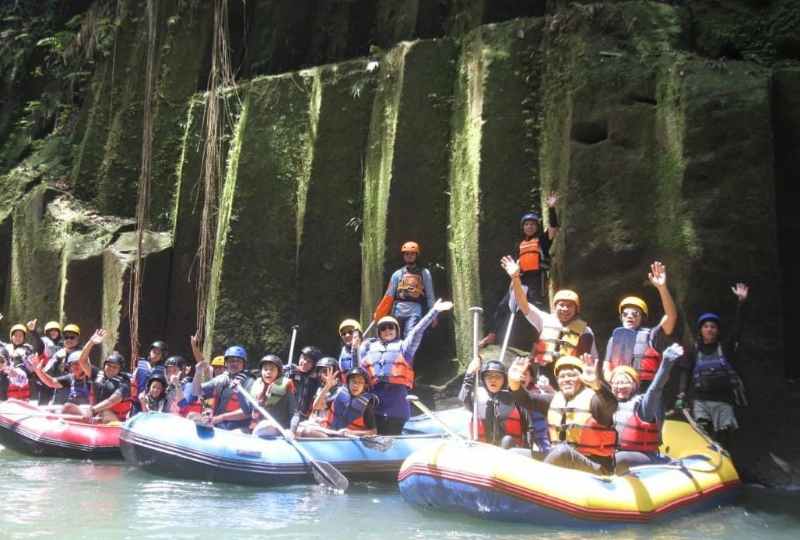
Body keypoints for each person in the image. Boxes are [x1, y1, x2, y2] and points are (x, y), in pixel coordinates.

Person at [510, 355, 618, 474]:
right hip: (560, 458)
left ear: (582, 379)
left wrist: (597, 384)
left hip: (596, 467)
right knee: (515, 454)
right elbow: (526, 399)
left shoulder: (595, 401)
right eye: (562, 376)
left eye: (571, 375)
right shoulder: (553, 400)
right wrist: (514, 381)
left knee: (563, 452)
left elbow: (611, 405)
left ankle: (535, 483)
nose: (566, 379)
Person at [360, 298, 453, 434]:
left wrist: (434, 311)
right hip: (375, 399)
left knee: (394, 434)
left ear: (396, 330)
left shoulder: (404, 347)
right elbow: (359, 370)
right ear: (379, 332)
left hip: (397, 400)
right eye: (383, 328)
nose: (387, 330)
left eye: (391, 327)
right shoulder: (369, 347)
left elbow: (417, 331)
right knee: (374, 434)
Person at [500, 256, 598, 383]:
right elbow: (522, 303)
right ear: (554, 306)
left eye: (569, 306)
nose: (565, 309)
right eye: (561, 305)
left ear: (576, 309)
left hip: (571, 377)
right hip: (544, 376)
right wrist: (515, 277)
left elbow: (594, 359)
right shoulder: (544, 319)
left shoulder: (586, 331)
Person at [480, 195, 559, 347]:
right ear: (523, 227)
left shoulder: (542, 240)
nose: (529, 227)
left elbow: (553, 229)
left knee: (535, 308)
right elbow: (517, 264)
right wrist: (513, 281)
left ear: (537, 227)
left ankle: (542, 342)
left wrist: (552, 208)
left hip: (537, 280)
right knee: (503, 306)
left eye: (532, 224)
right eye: (527, 224)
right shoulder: (521, 244)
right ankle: (492, 334)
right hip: (520, 279)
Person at [676, 284, 749, 448]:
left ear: (717, 330)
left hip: (724, 400)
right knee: (702, 433)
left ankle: (725, 463)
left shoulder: (725, 347)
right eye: (706, 326)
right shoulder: (693, 349)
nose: (709, 329)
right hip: (700, 400)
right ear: (700, 330)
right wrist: (681, 395)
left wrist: (741, 303)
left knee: (725, 434)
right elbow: (686, 372)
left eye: (713, 327)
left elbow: (738, 329)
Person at [603, 261, 678, 392]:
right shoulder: (614, 339)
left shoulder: (651, 335)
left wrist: (662, 288)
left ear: (642, 317)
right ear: (621, 318)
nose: (629, 316)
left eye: (635, 314)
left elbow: (671, 317)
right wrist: (613, 381)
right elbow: (606, 365)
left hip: (646, 388)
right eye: (625, 314)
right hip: (620, 388)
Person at [611, 344, 683, 473]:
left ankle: (668, 463)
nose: (619, 386)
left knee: (618, 458)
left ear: (635, 385)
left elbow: (655, 389)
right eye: (616, 383)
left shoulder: (642, 405)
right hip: (617, 455)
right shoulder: (609, 406)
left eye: (624, 382)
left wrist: (666, 364)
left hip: (645, 456)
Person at [34, 329, 132, 422]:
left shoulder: (124, 383)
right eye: (108, 365)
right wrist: (91, 342)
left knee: (105, 413)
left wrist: (92, 410)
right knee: (68, 407)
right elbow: (82, 361)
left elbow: (112, 401)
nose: (110, 368)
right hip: (94, 413)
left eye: (114, 367)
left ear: (120, 370)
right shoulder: (97, 375)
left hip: (112, 418)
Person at [372, 242, 437, 337]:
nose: (409, 256)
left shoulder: (424, 273)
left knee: (410, 336)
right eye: (407, 253)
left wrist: (433, 315)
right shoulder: (397, 274)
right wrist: (380, 313)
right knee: (394, 337)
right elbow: (389, 296)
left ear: (416, 255)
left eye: (412, 253)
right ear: (403, 256)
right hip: (398, 310)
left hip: (415, 310)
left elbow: (430, 296)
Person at [459, 358, 528, 447]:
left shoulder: (514, 398)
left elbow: (528, 427)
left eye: (498, 377)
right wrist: (469, 374)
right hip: (483, 450)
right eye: (489, 376)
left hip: (510, 452)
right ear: (483, 379)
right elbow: (463, 399)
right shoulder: (477, 399)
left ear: (504, 380)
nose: (493, 380)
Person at [192, 344, 252, 430]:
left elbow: (248, 412)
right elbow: (196, 392)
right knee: (192, 417)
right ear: (226, 364)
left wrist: (221, 417)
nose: (234, 364)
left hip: (239, 428)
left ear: (244, 364)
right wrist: (197, 373)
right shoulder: (222, 379)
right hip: (219, 425)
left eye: (238, 361)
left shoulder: (250, 381)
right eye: (231, 361)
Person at [244, 354, 297, 438]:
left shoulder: (286, 388)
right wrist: (238, 393)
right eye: (265, 369)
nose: (268, 372)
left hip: (278, 429)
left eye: (272, 369)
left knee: (265, 425)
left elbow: (295, 414)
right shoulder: (257, 385)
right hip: (255, 427)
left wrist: (292, 431)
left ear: (278, 372)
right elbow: (246, 410)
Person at [295, 357, 342, 437]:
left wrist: (327, 387)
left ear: (335, 373)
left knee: (305, 431)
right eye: (320, 371)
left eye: (325, 371)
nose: (321, 374)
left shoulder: (341, 392)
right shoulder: (321, 389)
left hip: (330, 430)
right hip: (316, 425)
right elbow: (316, 407)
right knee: (294, 428)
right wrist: (327, 387)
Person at [43, 323, 82, 404]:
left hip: (78, 394)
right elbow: (47, 371)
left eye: (72, 337)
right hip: (60, 392)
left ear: (78, 339)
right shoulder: (58, 354)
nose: (69, 340)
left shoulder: (82, 355)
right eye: (66, 337)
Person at [287, 345, 323, 430]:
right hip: (288, 413)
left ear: (314, 365)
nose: (304, 362)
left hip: (304, 417)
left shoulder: (316, 380)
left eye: (309, 361)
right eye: (303, 358)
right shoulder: (289, 371)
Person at [131, 340, 168, 408]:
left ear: (162, 356)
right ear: (150, 352)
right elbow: (133, 379)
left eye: (158, 353)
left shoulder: (163, 369)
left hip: (153, 402)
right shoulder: (140, 363)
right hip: (137, 400)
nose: (155, 355)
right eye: (154, 352)